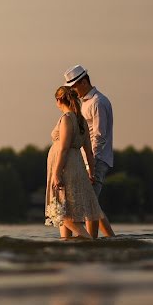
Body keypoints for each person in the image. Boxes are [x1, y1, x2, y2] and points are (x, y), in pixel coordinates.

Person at [45, 86, 106, 239]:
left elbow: (64, 148)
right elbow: (89, 151)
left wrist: (57, 173)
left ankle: (87, 239)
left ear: (59, 100)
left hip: (66, 168)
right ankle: (67, 246)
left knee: (60, 212)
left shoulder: (66, 119)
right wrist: (91, 172)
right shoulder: (81, 120)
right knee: (68, 211)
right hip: (77, 166)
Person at [64, 65, 116, 238]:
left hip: (97, 159)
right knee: (93, 205)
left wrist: (90, 164)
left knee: (89, 206)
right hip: (90, 159)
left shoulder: (98, 102)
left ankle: (91, 242)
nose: (74, 92)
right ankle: (111, 239)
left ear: (84, 81)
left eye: (75, 87)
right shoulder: (88, 103)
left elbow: (99, 136)